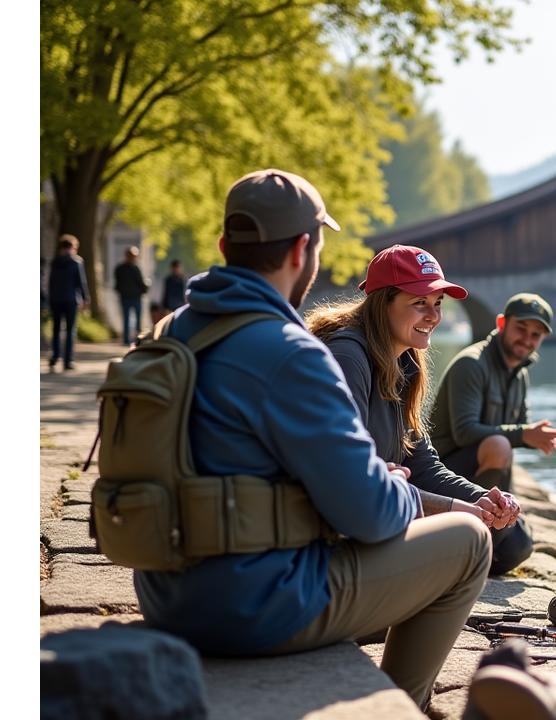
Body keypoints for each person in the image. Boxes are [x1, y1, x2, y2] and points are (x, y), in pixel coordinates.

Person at [133, 169, 491, 709]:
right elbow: (368, 514)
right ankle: (398, 707)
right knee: (470, 542)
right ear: (304, 249)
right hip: (249, 609)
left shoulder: (170, 333)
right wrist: (391, 487)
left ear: (224, 246)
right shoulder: (293, 355)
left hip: (163, 593)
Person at [307, 244, 535, 576]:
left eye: (437, 303)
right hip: (337, 536)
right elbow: (351, 478)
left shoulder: (405, 362)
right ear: (382, 304)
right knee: (473, 539)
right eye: (419, 303)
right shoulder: (347, 358)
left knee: (513, 541)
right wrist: (458, 509)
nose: (434, 316)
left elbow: (423, 465)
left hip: (384, 512)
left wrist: (484, 499)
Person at [428, 292, 556, 493]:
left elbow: (518, 429)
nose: (527, 339)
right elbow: (464, 433)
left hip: (479, 471)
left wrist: (537, 436)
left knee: (501, 446)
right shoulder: (471, 364)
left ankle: (504, 515)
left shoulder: (520, 375)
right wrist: (524, 434)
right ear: (501, 323)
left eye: (536, 335)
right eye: (521, 328)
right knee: (499, 446)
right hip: (439, 472)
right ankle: (485, 516)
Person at [46, 234, 89, 372]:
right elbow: (81, 282)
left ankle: (55, 356)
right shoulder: (76, 262)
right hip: (71, 300)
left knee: (56, 329)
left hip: (56, 299)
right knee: (70, 330)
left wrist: (48, 300)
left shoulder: (54, 262)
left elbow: (50, 282)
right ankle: (68, 360)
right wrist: (85, 298)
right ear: (73, 247)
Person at [113, 245, 150, 344]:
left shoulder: (122, 268)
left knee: (133, 320)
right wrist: (145, 287)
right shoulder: (132, 268)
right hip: (130, 297)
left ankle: (134, 339)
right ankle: (132, 340)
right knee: (128, 319)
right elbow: (140, 282)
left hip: (132, 297)